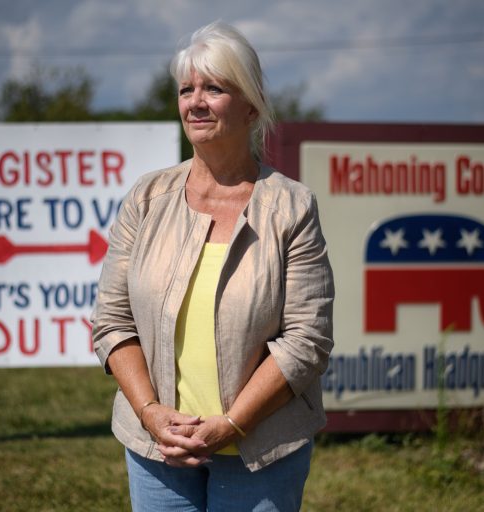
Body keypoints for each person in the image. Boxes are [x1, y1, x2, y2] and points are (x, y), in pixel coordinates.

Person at [91, 20, 334, 511]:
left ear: (250, 105)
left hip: (262, 450)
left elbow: (307, 340)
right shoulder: (146, 198)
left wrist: (231, 424)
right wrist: (151, 414)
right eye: (187, 89)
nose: (195, 102)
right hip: (158, 448)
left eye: (214, 88)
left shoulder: (292, 207)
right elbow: (113, 322)